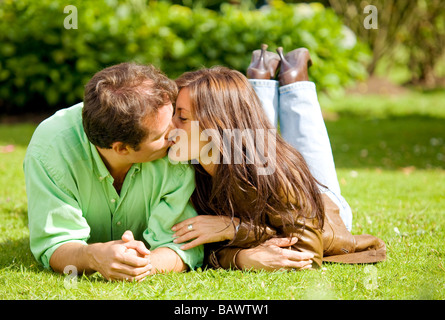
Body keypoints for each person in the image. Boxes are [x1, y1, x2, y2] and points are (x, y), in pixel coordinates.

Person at [169, 44, 386, 270]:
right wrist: (241, 251)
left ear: (217, 127)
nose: (169, 125)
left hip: (321, 209)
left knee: (306, 139)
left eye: (182, 118)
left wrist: (234, 229)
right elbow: (203, 244)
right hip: (278, 195)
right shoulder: (190, 166)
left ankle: (295, 79)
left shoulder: (281, 177)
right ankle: (262, 75)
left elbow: (305, 255)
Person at [24, 63, 204, 281]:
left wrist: (144, 265)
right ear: (121, 148)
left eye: (174, 115)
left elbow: (181, 243)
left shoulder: (178, 147)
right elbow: (55, 244)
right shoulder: (51, 150)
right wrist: (92, 256)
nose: (176, 132)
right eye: (160, 135)